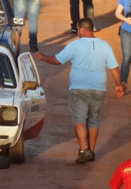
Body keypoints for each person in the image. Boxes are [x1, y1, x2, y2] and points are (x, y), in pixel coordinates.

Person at [35, 17, 124, 163]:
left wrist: (43, 57)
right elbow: (114, 67)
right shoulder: (105, 46)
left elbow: (57, 60)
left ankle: (84, 150)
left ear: (82, 30)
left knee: (79, 119)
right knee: (94, 120)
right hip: (98, 89)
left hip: (79, 88)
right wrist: (118, 85)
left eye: (78, 29)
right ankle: (92, 152)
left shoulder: (75, 45)